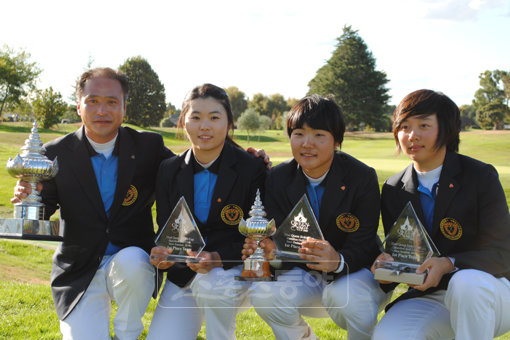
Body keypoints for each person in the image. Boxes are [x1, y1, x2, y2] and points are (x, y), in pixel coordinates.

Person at [11, 67, 175, 339]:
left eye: (112, 102)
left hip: (131, 262)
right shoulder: (53, 154)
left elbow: (189, 169)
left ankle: (128, 332)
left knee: (134, 260)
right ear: (79, 106)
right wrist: (30, 192)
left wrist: (248, 158)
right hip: (78, 268)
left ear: (124, 107)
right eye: (93, 101)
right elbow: (44, 208)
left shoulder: (148, 146)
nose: (102, 110)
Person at [243, 95, 391, 340]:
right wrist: (272, 251)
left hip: (355, 273)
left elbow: (364, 242)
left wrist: (338, 261)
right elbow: (281, 241)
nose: (307, 144)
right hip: (305, 276)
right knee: (264, 295)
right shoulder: (278, 178)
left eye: (319, 135)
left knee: (347, 297)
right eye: (299, 133)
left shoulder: (362, 177)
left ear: (337, 141)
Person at [371, 89, 510, 340]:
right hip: (431, 296)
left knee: (465, 283)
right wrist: (387, 268)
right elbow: (406, 257)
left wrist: (449, 263)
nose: (412, 135)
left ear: (445, 129)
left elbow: (503, 252)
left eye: (423, 125)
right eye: (404, 126)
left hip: (489, 290)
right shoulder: (393, 188)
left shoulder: (480, 177)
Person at [147, 83, 267, 340]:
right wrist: (163, 253)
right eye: (196, 117)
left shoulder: (251, 168)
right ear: (183, 121)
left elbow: (257, 238)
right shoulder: (168, 169)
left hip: (231, 272)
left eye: (214, 117)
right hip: (184, 275)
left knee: (213, 286)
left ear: (229, 123)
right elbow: (167, 230)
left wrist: (218, 258)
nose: (205, 126)